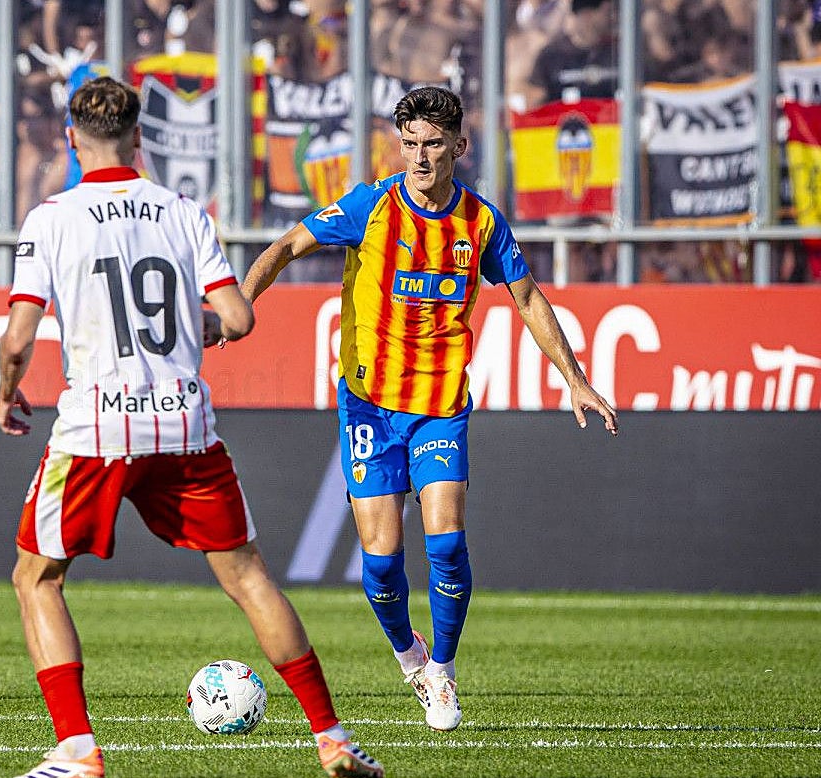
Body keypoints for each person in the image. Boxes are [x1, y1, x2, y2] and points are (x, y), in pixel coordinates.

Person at [0, 76, 383, 778]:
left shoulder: (51, 217)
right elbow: (237, 319)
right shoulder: (181, 212)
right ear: (140, 138)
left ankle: (77, 750)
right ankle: (331, 735)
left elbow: (20, 336)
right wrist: (186, 329)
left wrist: (5, 389)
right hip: (183, 423)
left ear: (72, 140)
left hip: (96, 430)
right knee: (248, 577)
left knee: (36, 577)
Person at [241, 85, 618, 732]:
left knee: (446, 541)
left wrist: (576, 379)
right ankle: (407, 652)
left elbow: (528, 299)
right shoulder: (370, 206)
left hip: (440, 407)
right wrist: (244, 303)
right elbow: (282, 249)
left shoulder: (482, 224)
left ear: (459, 148)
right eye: (410, 144)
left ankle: (441, 672)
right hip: (368, 408)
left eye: (433, 145)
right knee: (381, 561)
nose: (419, 157)